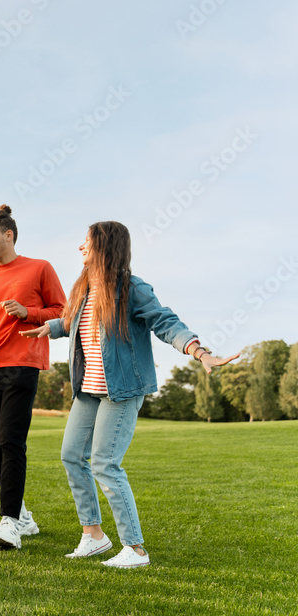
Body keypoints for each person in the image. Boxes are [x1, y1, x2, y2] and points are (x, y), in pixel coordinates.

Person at [21, 221, 238, 568]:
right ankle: (93, 535)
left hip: (121, 391)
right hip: (87, 390)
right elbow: (71, 320)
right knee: (71, 456)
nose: (80, 248)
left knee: (105, 463)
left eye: (86, 242)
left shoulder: (132, 289)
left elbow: (165, 322)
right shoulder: (84, 289)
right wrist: (49, 327)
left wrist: (199, 352)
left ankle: (135, 549)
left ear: (104, 247)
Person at [0, 204, 66, 550]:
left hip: (23, 364)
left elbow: (62, 312)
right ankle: (22, 514)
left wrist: (28, 313)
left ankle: (9, 522)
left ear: (8, 235)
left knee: (12, 440)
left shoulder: (40, 268)